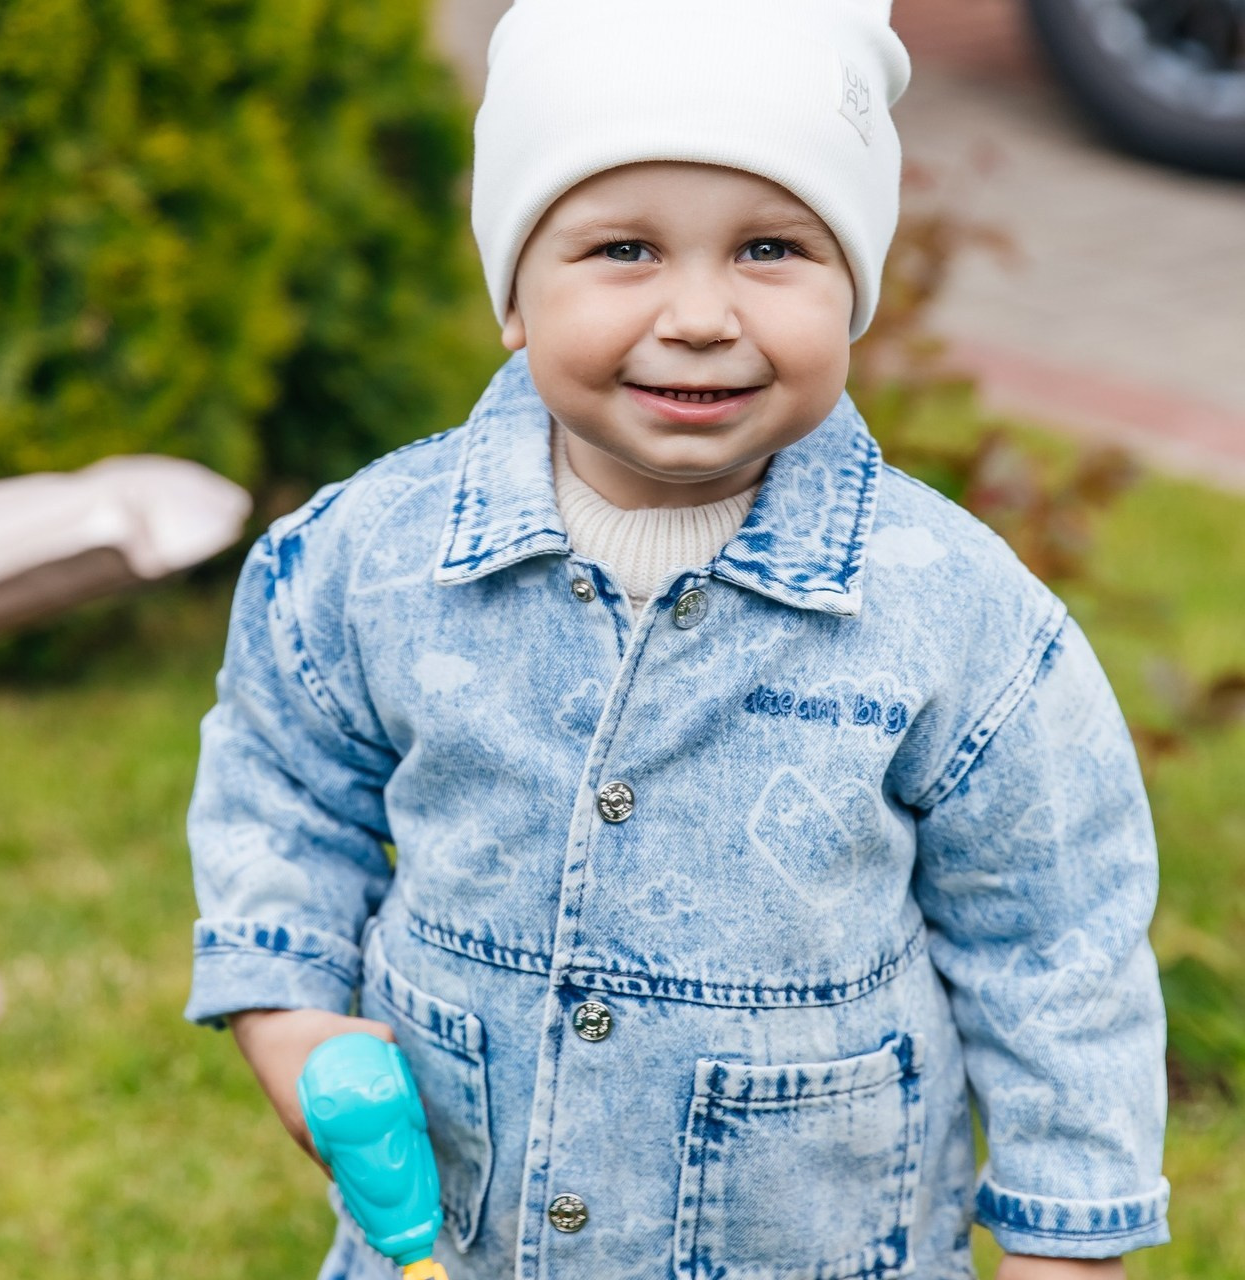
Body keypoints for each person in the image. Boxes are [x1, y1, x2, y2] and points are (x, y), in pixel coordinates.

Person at [185, 1, 1170, 1276]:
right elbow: (284, 786)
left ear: (854, 285)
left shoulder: (950, 614)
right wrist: (292, 1016)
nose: (699, 313)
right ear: (513, 295)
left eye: (769, 247)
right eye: (623, 250)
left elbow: (1054, 941)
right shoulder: (368, 560)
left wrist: (1064, 1238)